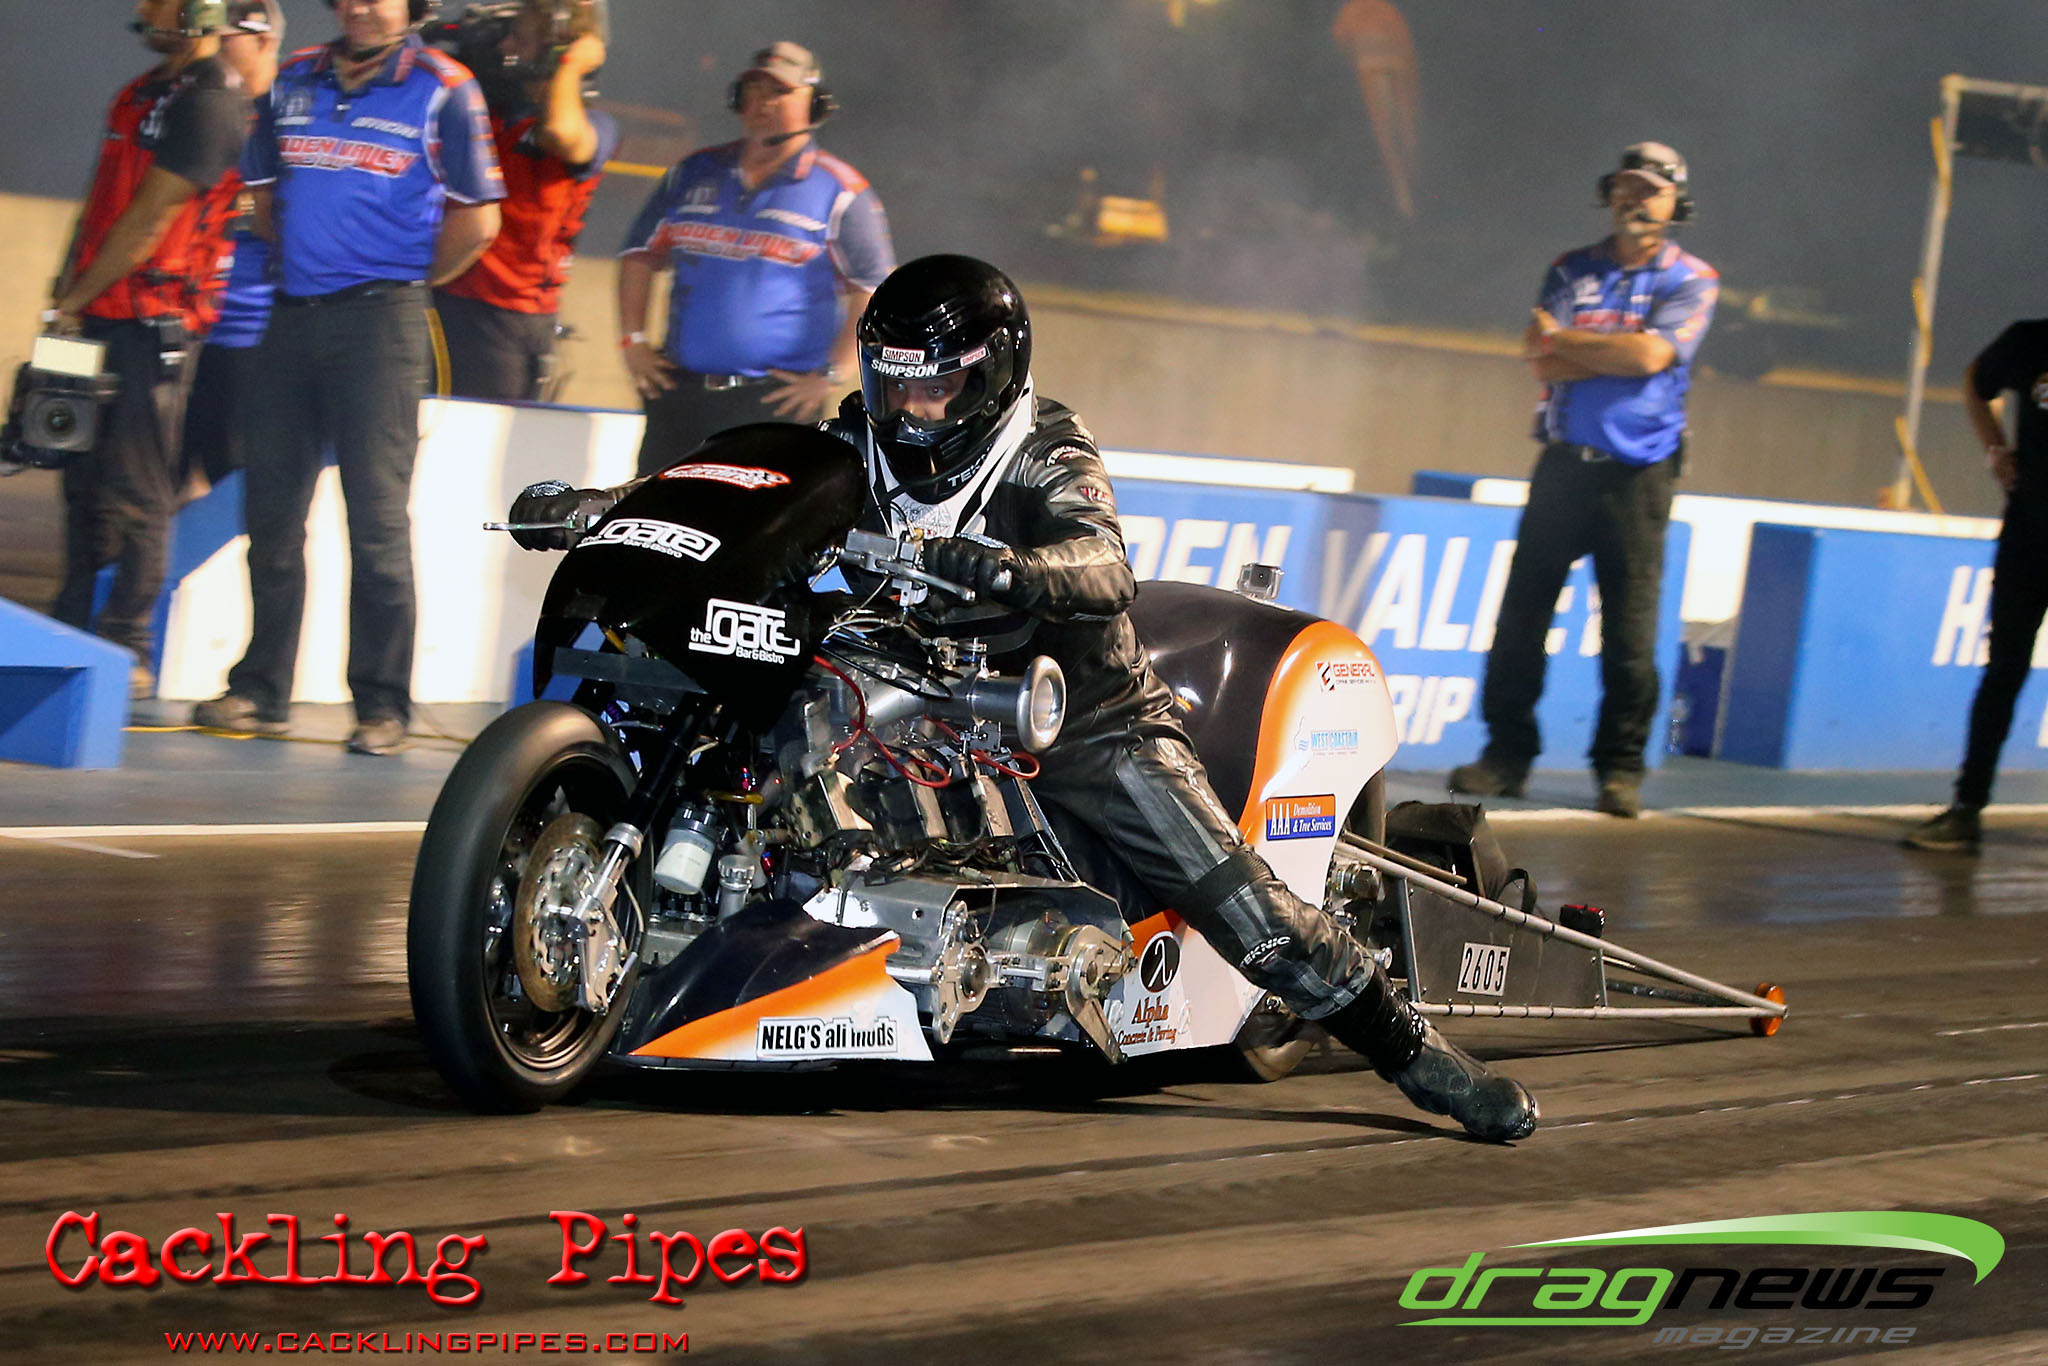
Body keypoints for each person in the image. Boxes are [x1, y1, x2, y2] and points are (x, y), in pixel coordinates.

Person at [508, 255, 1540, 1143]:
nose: (911, 410)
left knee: (1251, 914)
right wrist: (612, 507)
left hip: (1078, 721)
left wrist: (1014, 569)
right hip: (911, 683)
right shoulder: (854, 435)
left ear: (993, 375)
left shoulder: (1048, 447)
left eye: (936, 388)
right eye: (891, 383)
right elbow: (746, 491)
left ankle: (1418, 1054)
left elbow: (1103, 563)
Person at [190, 0, 504, 756]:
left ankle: (382, 703)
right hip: (290, 316)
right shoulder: (294, 77)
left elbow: (480, 221)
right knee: (271, 513)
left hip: (381, 325)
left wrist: (396, 280)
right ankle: (259, 689)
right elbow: (264, 199)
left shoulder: (445, 87)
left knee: (377, 521)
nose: (361, 6)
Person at [1448, 142, 1718, 819]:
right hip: (1564, 464)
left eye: (1650, 190)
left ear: (1676, 203)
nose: (1635, 200)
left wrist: (1572, 343)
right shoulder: (1571, 268)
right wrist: (1606, 353)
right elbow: (1540, 362)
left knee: (1629, 634)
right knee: (1521, 619)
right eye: (1626, 187)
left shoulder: (1691, 279)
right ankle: (1506, 756)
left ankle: (1619, 769)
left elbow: (1650, 356)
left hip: (1640, 474)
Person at [46, 0, 257, 701]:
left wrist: (70, 301)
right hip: (93, 313)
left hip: (152, 321)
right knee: (79, 478)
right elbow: (100, 204)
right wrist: (66, 295)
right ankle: (69, 623)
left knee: (137, 488)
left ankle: (126, 644)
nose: (143, 10)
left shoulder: (211, 101)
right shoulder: (140, 91)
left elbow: (147, 220)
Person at [616, 40, 894, 476]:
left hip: (771, 405)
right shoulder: (693, 172)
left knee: (754, 515)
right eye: (754, 89)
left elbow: (872, 290)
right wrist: (632, 342)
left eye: (780, 91)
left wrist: (830, 375)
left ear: (815, 104)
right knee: (655, 505)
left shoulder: (840, 189)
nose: (763, 102)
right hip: (678, 395)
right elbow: (638, 255)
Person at [1904, 323, 2048, 853]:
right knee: (2003, 671)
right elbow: (1976, 380)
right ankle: (1966, 810)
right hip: (2029, 536)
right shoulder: (2032, 341)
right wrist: (1995, 448)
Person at [432, 0, 617, 400]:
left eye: (519, 37)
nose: (506, 47)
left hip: (506, 317)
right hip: (448, 297)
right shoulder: (491, 111)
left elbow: (561, 134)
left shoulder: (595, 125)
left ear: (556, 47)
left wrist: (569, 64)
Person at [179, 0, 286, 496]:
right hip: (180, 329)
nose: (212, 49)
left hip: (248, 339)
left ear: (264, 40)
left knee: (234, 489)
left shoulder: (290, 121)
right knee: (160, 479)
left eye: (225, 39)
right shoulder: (197, 106)